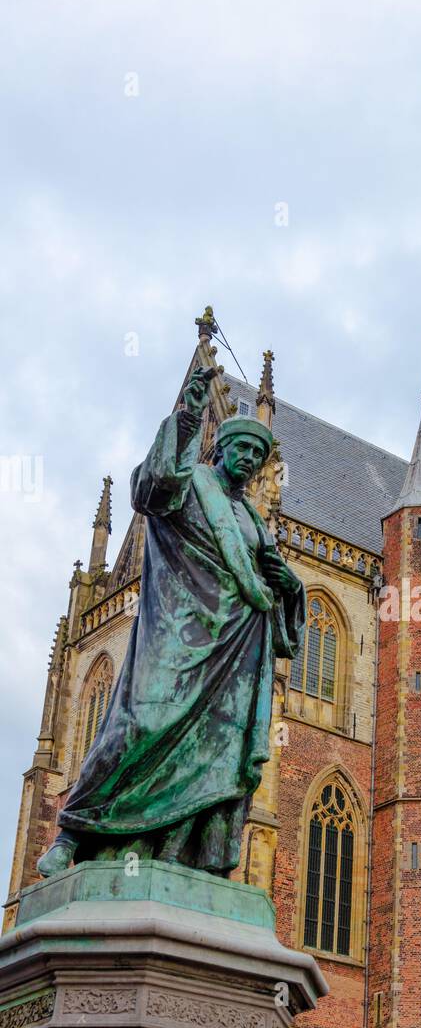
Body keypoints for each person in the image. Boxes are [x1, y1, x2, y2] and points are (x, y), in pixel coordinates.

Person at [37, 365, 305, 878]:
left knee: (220, 758)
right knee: (136, 726)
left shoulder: (252, 518)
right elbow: (155, 489)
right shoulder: (192, 484)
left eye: (258, 453)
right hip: (179, 635)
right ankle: (72, 835)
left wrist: (289, 587)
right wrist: (186, 417)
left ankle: (188, 863)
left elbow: (274, 589)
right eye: (241, 448)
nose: (248, 459)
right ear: (219, 450)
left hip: (235, 655)